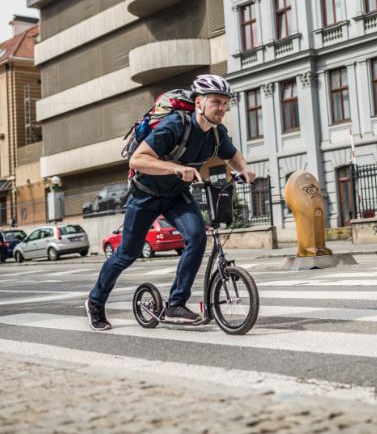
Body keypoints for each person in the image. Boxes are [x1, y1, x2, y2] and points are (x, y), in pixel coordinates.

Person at [85, 74, 256, 331]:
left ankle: (176, 303)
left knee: (197, 236)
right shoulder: (177, 125)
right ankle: (95, 301)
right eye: (215, 102)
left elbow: (232, 155)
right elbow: (138, 160)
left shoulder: (217, 134)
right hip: (146, 194)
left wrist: (244, 169)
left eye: (224, 103)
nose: (222, 108)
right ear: (199, 102)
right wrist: (176, 168)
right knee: (126, 254)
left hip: (176, 195)